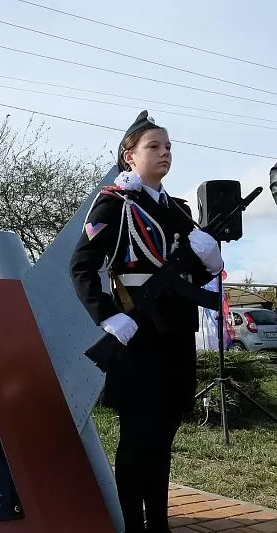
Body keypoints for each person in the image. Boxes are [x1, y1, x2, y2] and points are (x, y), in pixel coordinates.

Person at [70, 111, 223, 533]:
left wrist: (210, 261)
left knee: (164, 435)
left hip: (177, 335)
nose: (164, 153)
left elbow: (196, 274)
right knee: (138, 436)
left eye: (169, 146)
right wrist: (109, 317)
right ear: (129, 156)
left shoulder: (178, 211)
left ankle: (159, 523)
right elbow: (81, 267)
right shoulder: (115, 203)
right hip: (137, 334)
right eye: (153, 146)